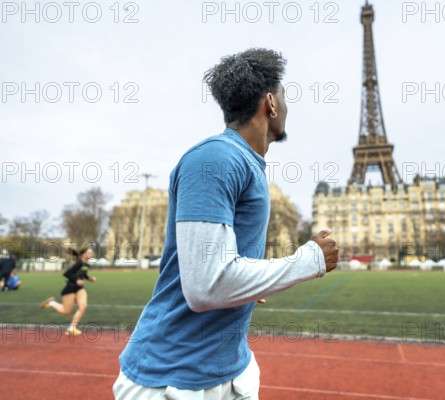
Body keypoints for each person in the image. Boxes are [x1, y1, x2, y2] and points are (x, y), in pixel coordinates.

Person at [113, 48, 339, 400]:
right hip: (172, 379)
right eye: (283, 94)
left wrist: (247, 284)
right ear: (271, 102)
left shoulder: (244, 164)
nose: (287, 105)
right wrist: (309, 260)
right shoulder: (216, 158)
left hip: (230, 370)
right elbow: (206, 287)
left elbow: (221, 267)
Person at [40, 247, 97, 335]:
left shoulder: (86, 265)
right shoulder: (79, 263)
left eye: (91, 253)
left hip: (79, 289)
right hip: (70, 288)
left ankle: (72, 328)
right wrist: (77, 280)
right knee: (66, 312)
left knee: (83, 307)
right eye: (88, 253)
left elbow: (83, 274)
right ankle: (51, 303)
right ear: (83, 253)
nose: (90, 255)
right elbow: (67, 273)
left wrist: (89, 278)